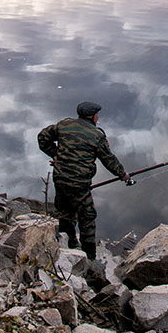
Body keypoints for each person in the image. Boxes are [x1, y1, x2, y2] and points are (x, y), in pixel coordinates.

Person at [37, 100, 133, 260]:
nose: (98, 117)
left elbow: (42, 138)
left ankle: (68, 243)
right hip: (80, 184)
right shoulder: (97, 136)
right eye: (97, 115)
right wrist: (123, 175)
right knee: (87, 216)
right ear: (93, 117)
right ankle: (89, 255)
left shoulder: (64, 124)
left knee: (64, 212)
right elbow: (109, 160)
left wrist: (56, 155)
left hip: (60, 179)